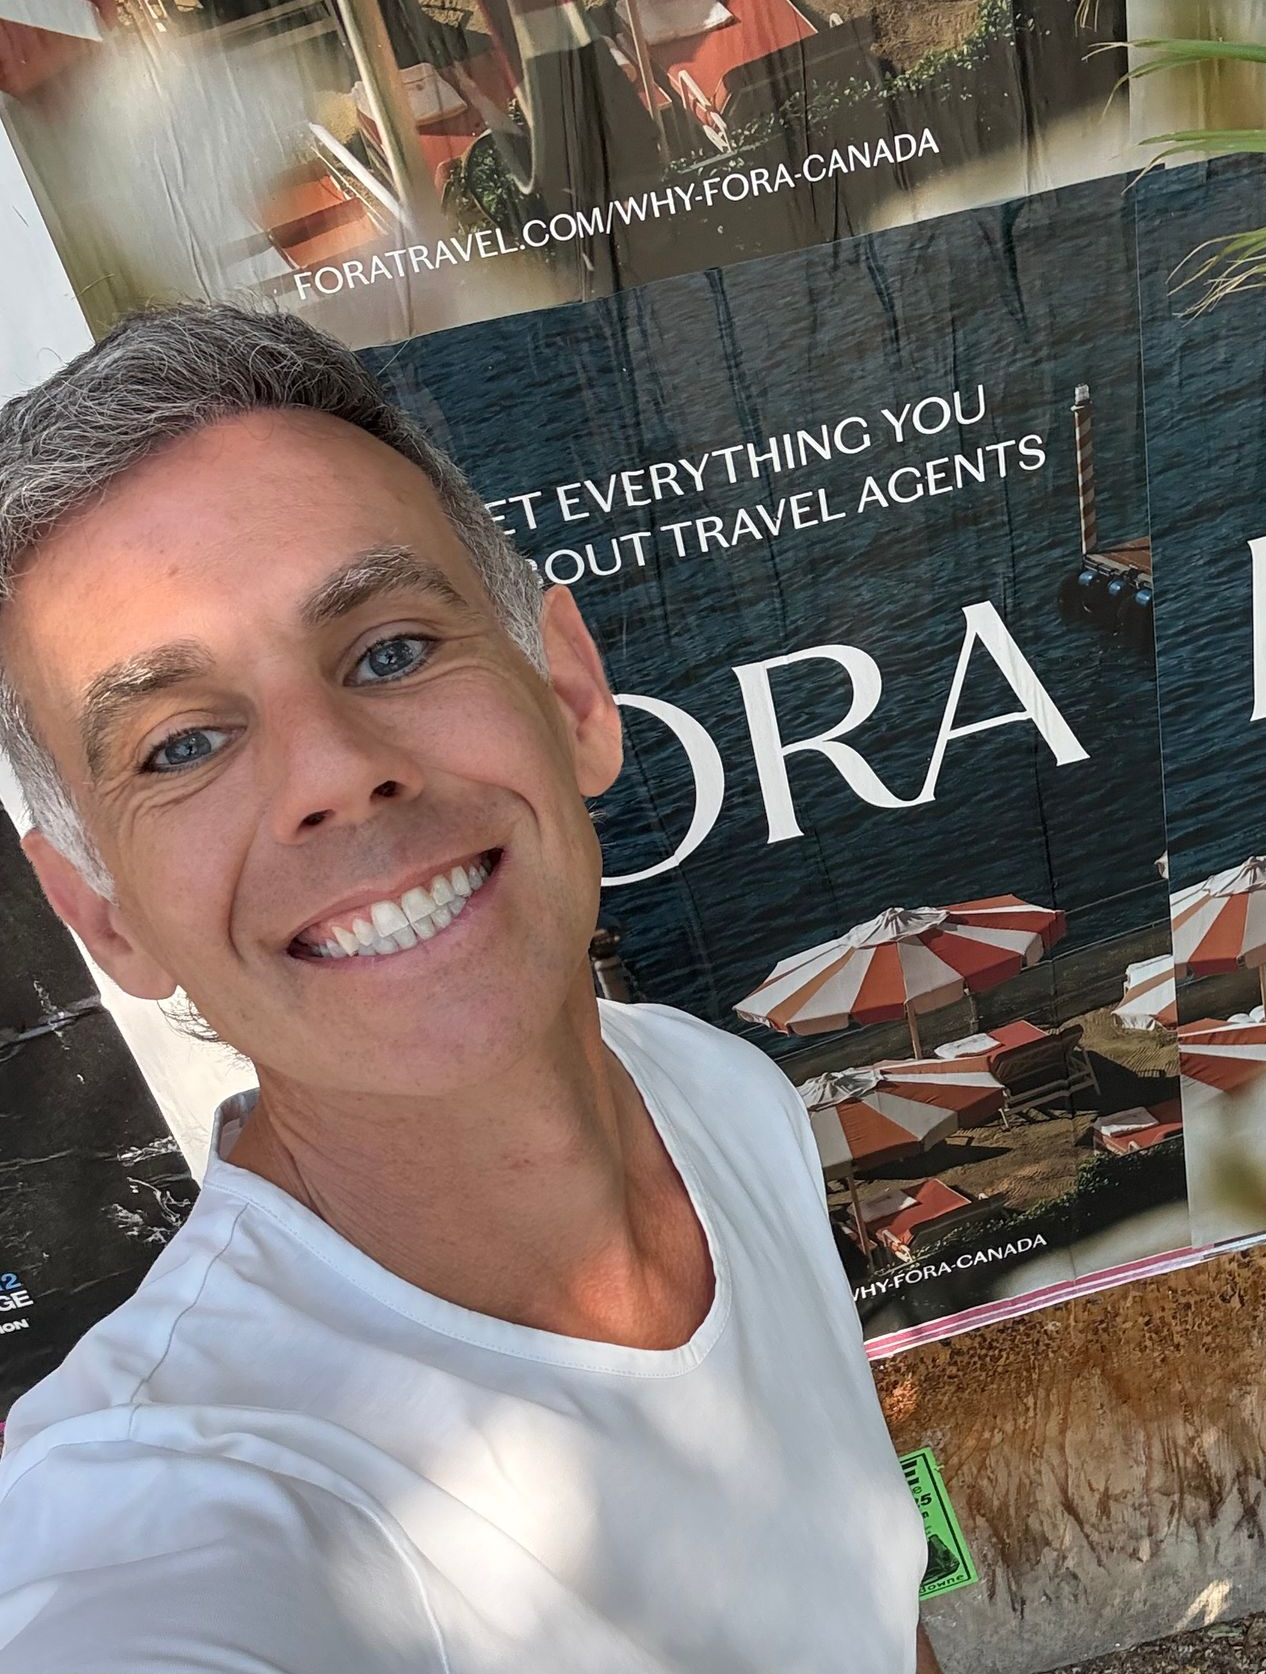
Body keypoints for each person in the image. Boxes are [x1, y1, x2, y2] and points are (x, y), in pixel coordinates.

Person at [0, 303, 941, 1673]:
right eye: (181, 743)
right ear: (102, 916)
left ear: (568, 692)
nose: (332, 770)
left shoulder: (713, 1089)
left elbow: (858, 1602)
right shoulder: (164, 1506)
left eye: (388, 648)